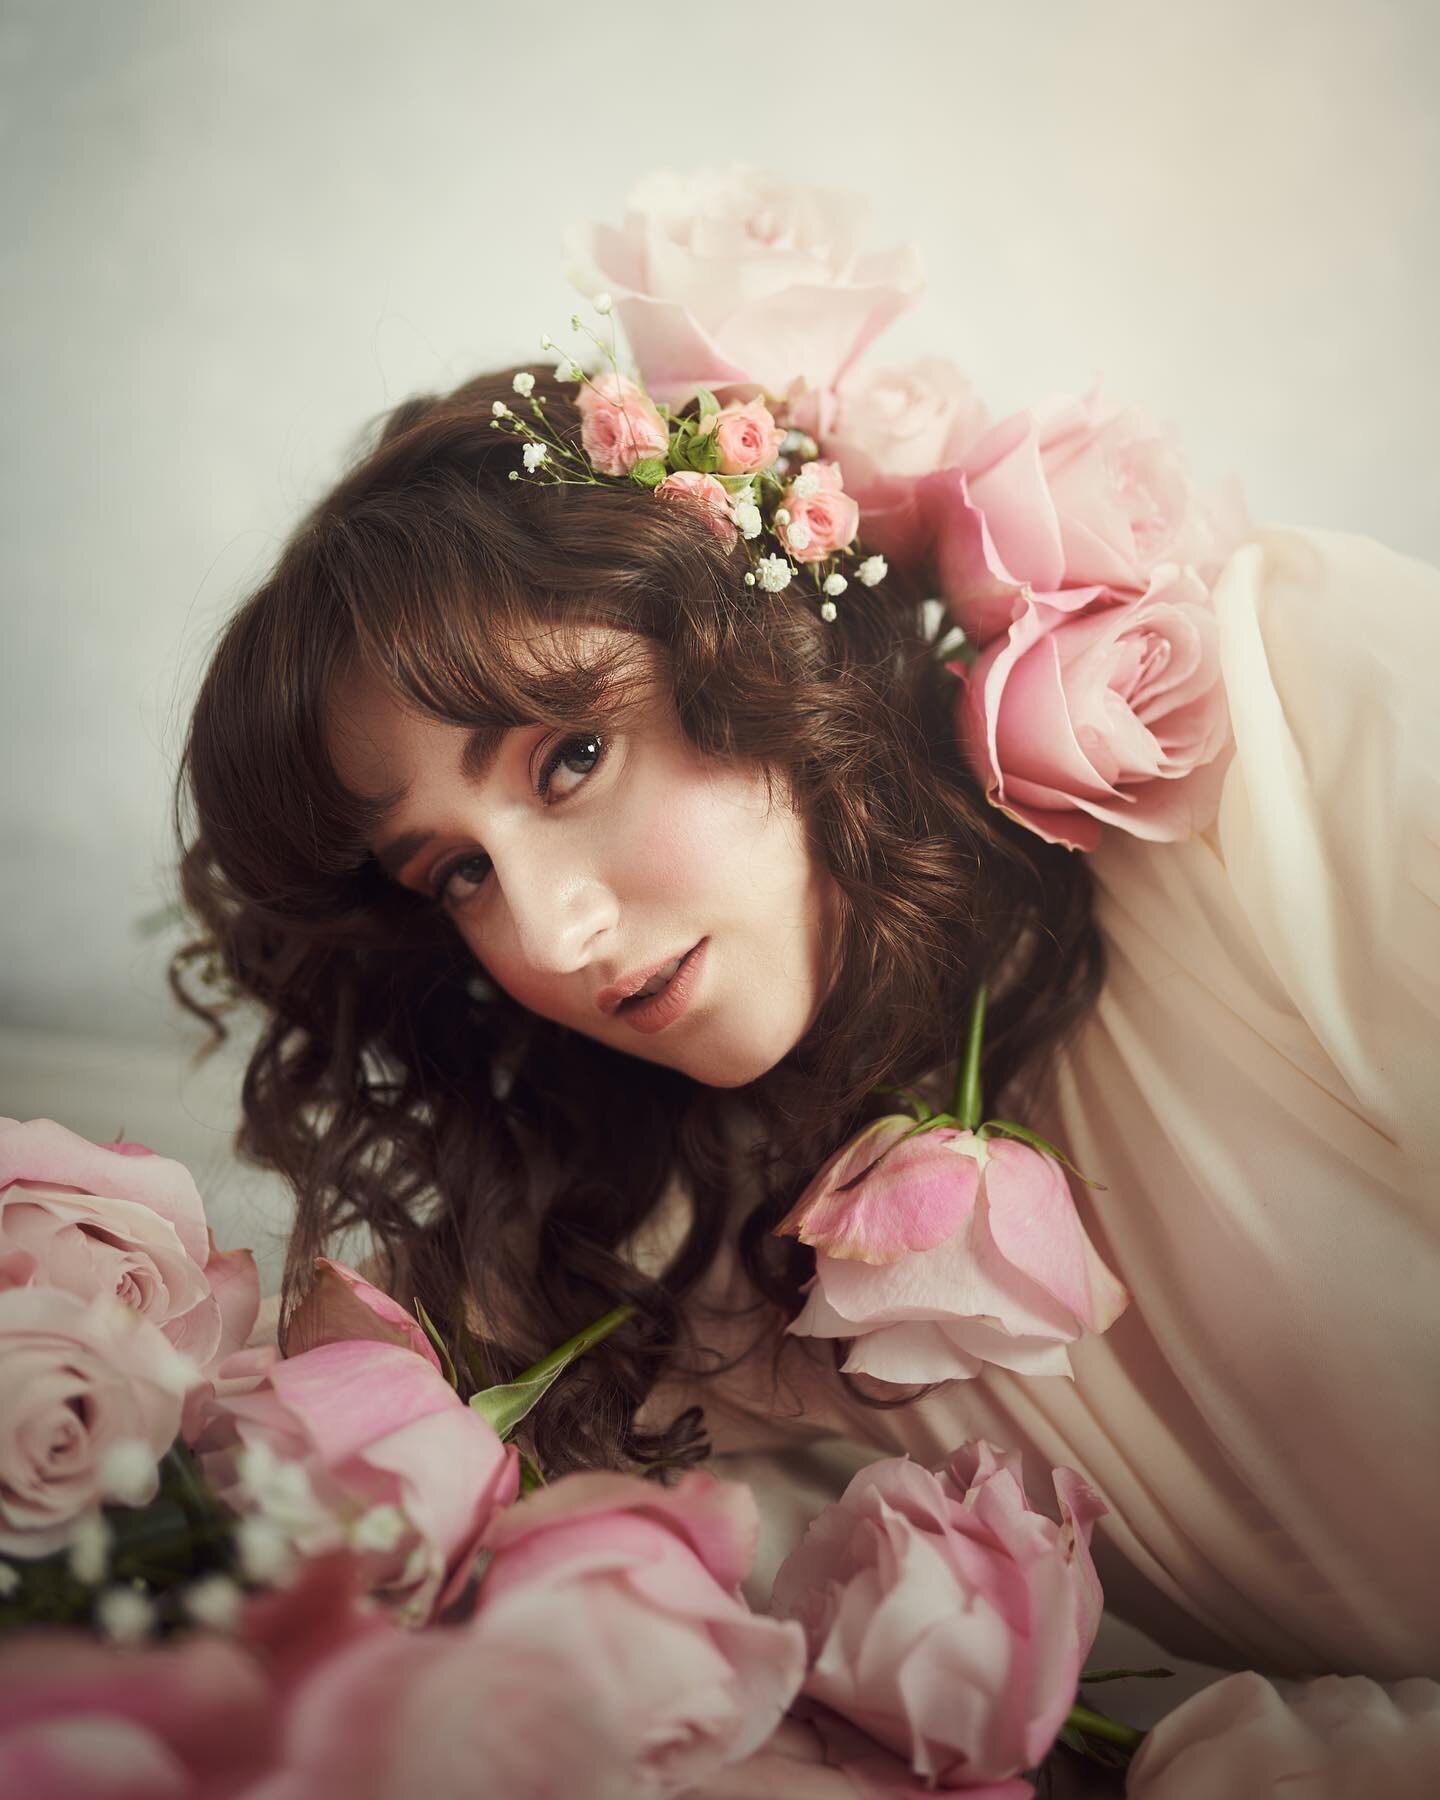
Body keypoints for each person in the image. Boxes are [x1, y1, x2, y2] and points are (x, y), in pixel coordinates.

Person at [172, 204, 1439, 1779]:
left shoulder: (1278, 728)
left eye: (571, 757)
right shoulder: (709, 1284)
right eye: (457, 875)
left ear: (758, 630)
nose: (551, 938)